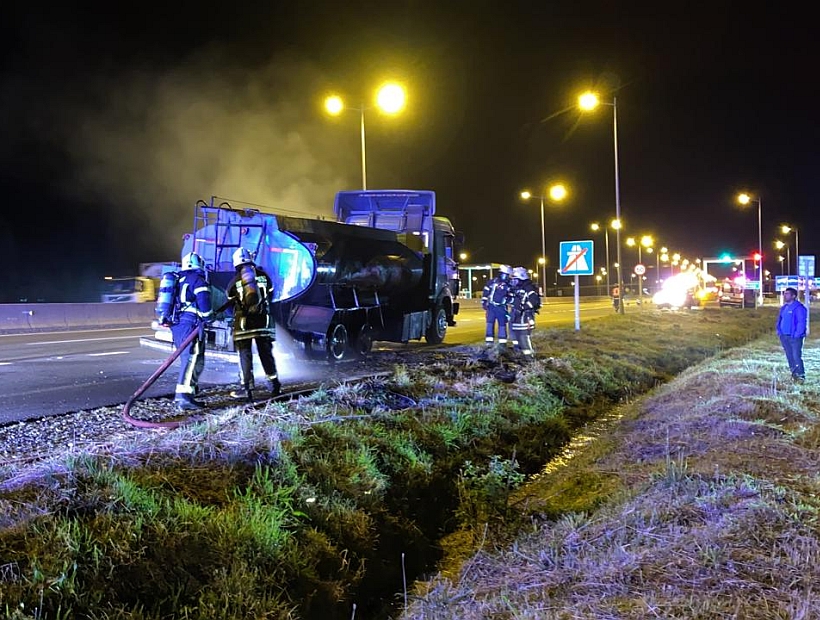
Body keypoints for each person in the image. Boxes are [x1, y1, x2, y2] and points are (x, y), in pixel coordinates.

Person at [227, 248, 281, 402]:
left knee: (244, 355)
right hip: (264, 322)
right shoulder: (264, 276)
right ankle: (274, 385)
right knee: (266, 354)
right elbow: (271, 295)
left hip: (244, 324)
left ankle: (247, 389)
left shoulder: (235, 281)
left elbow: (229, 302)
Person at [172, 252, 213, 410]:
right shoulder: (197, 279)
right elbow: (204, 301)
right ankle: (183, 396)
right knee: (191, 358)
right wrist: (209, 317)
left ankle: (191, 389)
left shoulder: (178, 279)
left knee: (191, 359)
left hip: (178, 324)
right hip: (191, 324)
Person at [776, 286, 807, 382]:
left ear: (793, 296)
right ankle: (794, 375)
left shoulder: (799, 308)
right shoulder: (784, 308)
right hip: (784, 336)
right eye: (784, 293)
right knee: (789, 356)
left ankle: (801, 376)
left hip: (794, 338)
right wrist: (779, 331)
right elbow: (780, 320)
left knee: (796, 356)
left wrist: (797, 335)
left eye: (787, 294)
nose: (785, 295)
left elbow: (801, 322)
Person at [510, 266, 541, 358]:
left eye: (515, 279)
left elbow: (534, 301)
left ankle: (529, 358)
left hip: (525, 316)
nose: (513, 281)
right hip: (516, 316)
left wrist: (523, 307)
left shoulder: (529, 288)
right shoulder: (516, 288)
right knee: (515, 337)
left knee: (523, 337)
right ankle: (519, 355)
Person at [481, 264, 513, 345]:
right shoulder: (492, 282)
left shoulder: (509, 285)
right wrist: (484, 302)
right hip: (491, 307)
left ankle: (502, 343)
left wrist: (507, 300)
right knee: (490, 324)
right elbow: (486, 292)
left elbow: (511, 296)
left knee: (502, 325)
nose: (509, 277)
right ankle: (489, 343)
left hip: (501, 308)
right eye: (508, 275)